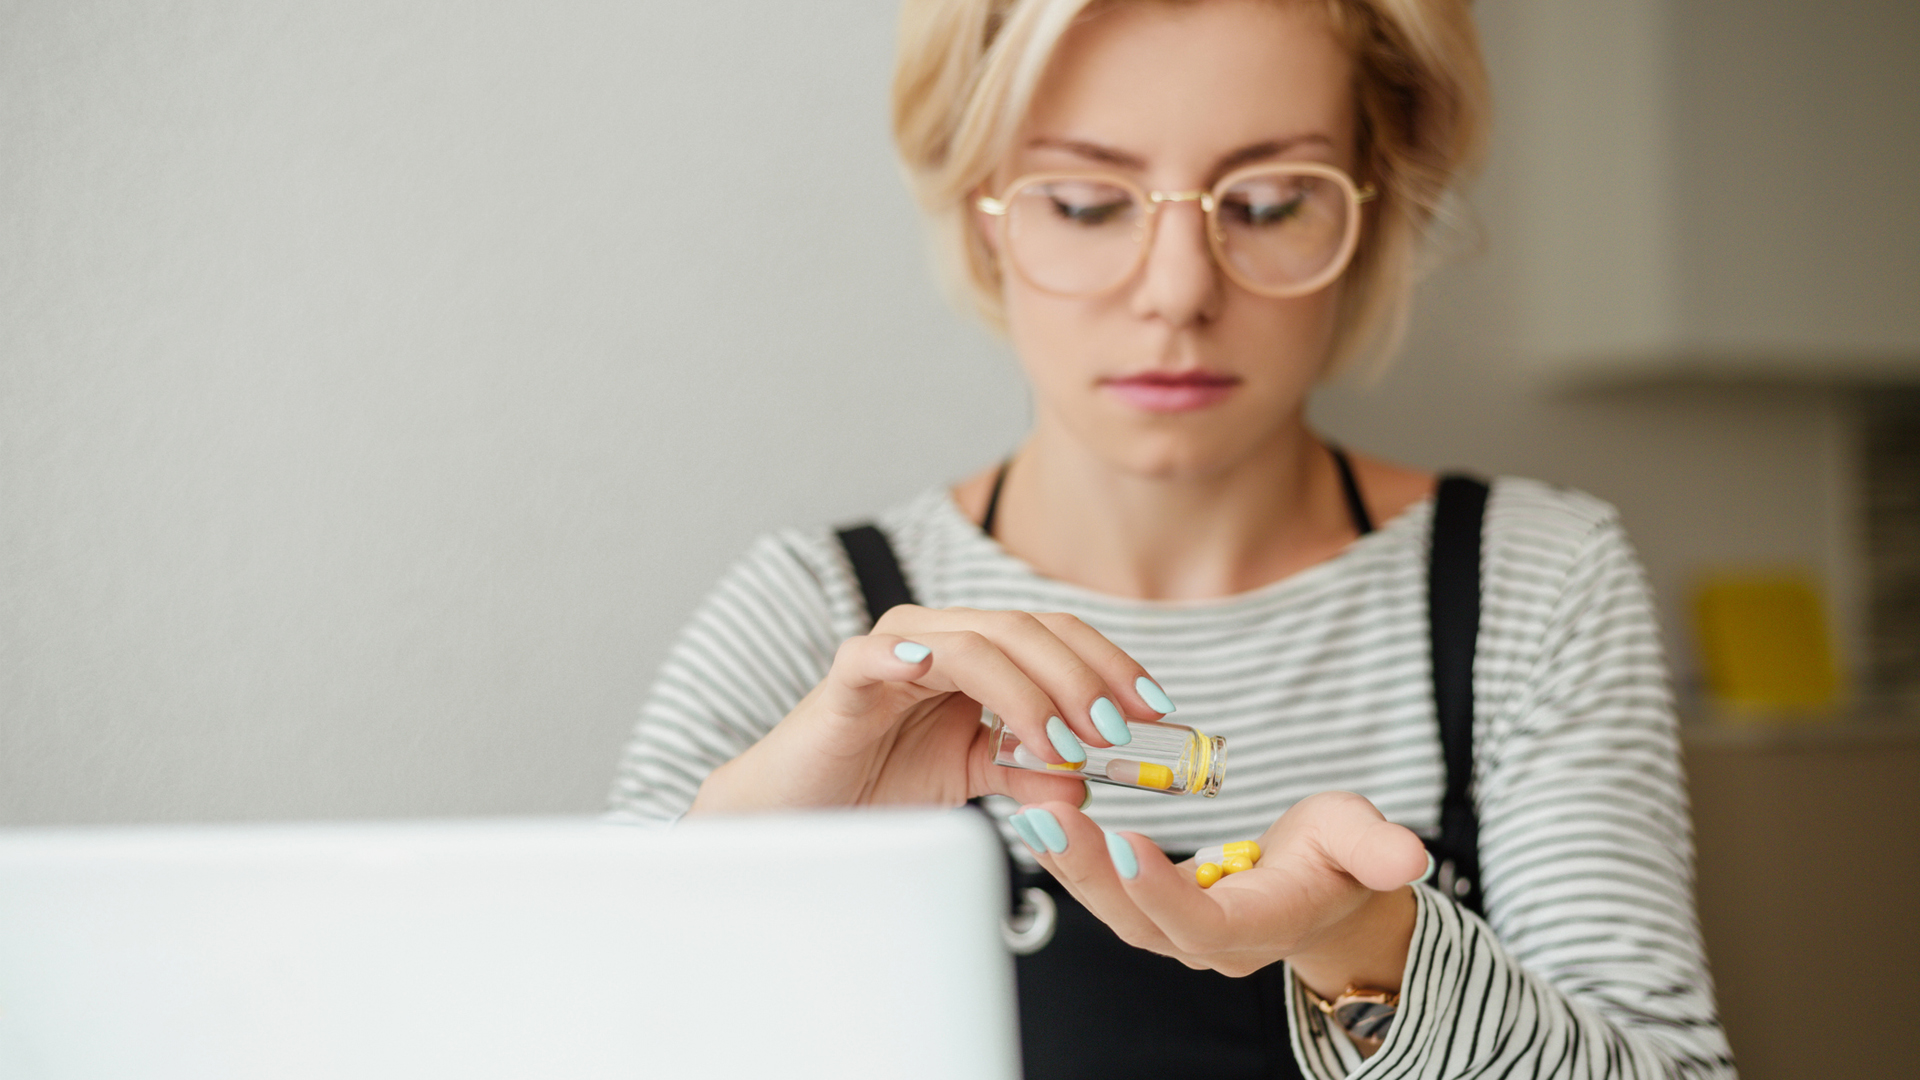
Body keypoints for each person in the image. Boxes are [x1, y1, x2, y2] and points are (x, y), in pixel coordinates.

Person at [611, 0, 1737, 1076]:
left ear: (1376, 206)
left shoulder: (1536, 582)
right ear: (978, 209)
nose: (1179, 290)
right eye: (1088, 201)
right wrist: (744, 874)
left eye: (1268, 201)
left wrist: (1374, 954)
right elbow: (578, 1031)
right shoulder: (815, 616)